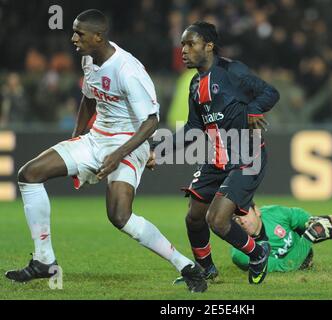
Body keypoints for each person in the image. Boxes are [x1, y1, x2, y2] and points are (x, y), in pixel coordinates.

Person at [5, 9, 207, 293]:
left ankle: (186, 265)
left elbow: (151, 122)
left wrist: (117, 156)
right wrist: (76, 141)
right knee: (29, 174)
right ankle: (43, 261)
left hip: (129, 143)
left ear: (98, 36)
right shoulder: (89, 59)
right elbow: (89, 99)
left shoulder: (127, 70)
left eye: (79, 33)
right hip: (96, 138)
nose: (73, 38)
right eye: (74, 31)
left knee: (119, 216)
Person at [148, 21, 280, 284]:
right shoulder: (195, 85)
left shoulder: (232, 71)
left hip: (247, 156)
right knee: (194, 217)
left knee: (217, 220)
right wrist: (158, 148)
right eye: (182, 44)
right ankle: (206, 269)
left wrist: (254, 109)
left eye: (190, 43)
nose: (183, 49)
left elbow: (270, 92)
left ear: (208, 46)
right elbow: (193, 129)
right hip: (217, 158)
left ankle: (257, 253)